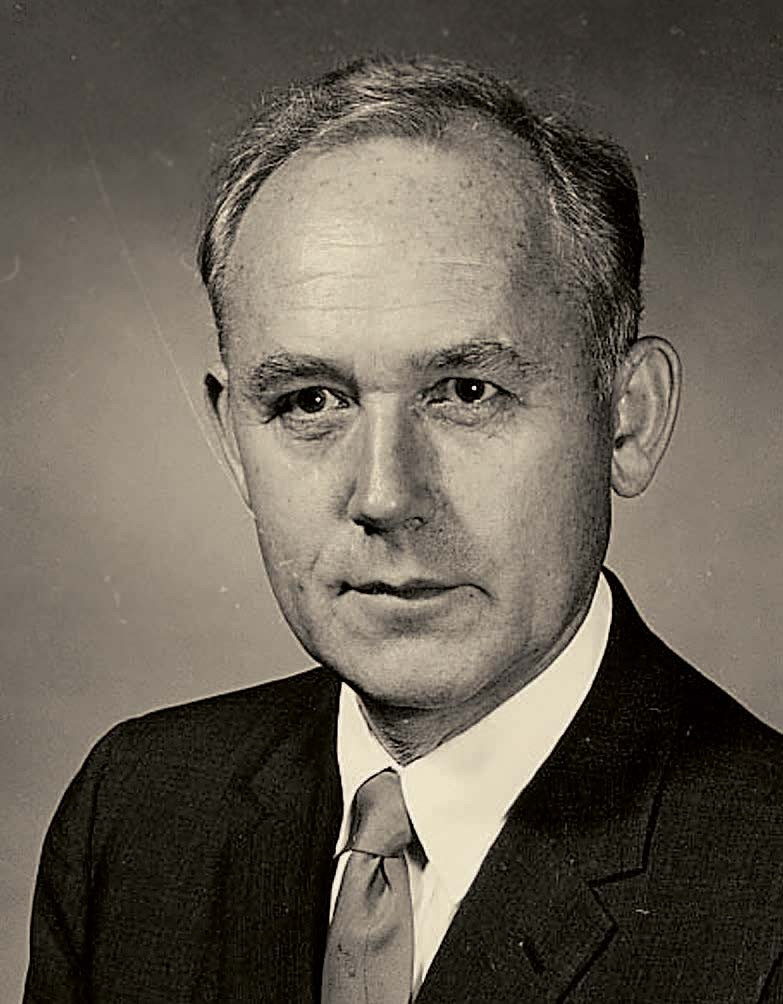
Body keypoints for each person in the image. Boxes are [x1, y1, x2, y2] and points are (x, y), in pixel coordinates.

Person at [24, 55, 782, 1003]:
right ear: (233, 445)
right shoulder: (137, 807)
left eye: (466, 391)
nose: (384, 494)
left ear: (626, 420)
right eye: (309, 401)